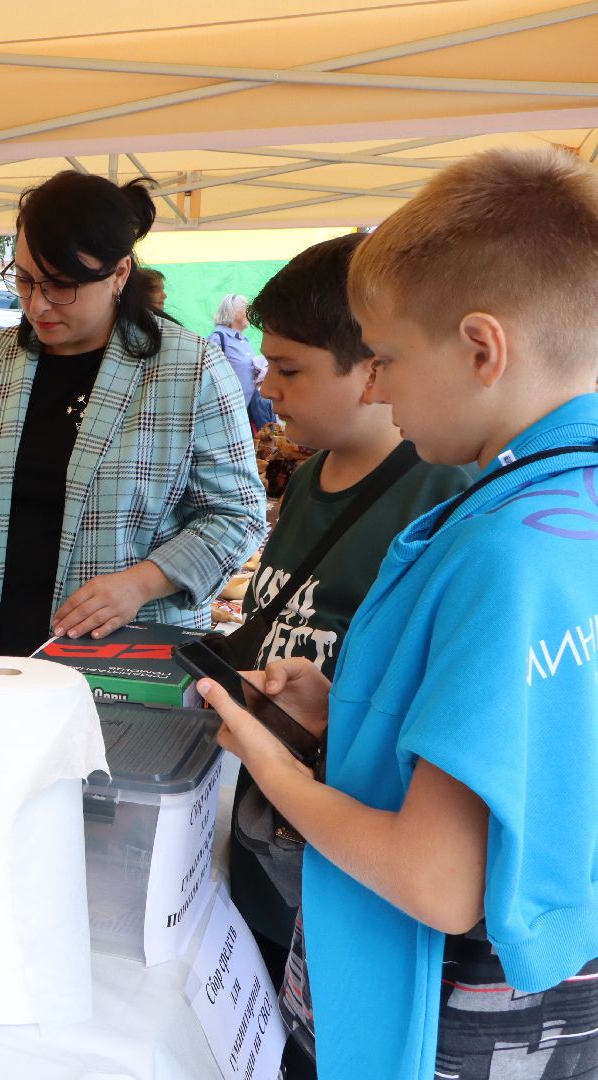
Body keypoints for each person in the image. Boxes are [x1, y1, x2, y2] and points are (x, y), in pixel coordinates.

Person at [199, 148, 598, 1080]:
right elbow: (532, 750)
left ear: (481, 348)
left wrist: (270, 762)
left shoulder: (504, 548)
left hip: (449, 1019)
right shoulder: (565, 510)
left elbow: (436, 879)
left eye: (385, 358)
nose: (375, 388)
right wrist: (344, 714)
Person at [0, 171, 265, 691]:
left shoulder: (188, 369)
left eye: (62, 285)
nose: (38, 304)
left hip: (120, 651)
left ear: (119, 273)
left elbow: (236, 515)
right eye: (23, 279)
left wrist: (140, 584)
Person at [222, 233, 470, 1004]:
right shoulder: (303, 483)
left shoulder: (446, 498)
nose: (269, 386)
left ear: (374, 369)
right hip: (271, 847)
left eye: (290, 369)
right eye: (266, 363)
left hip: (362, 865)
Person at [210, 294, 276, 431]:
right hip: (226, 414)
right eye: (246, 307)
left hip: (247, 411)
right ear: (231, 311)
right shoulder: (218, 338)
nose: (250, 312)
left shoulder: (244, 340)